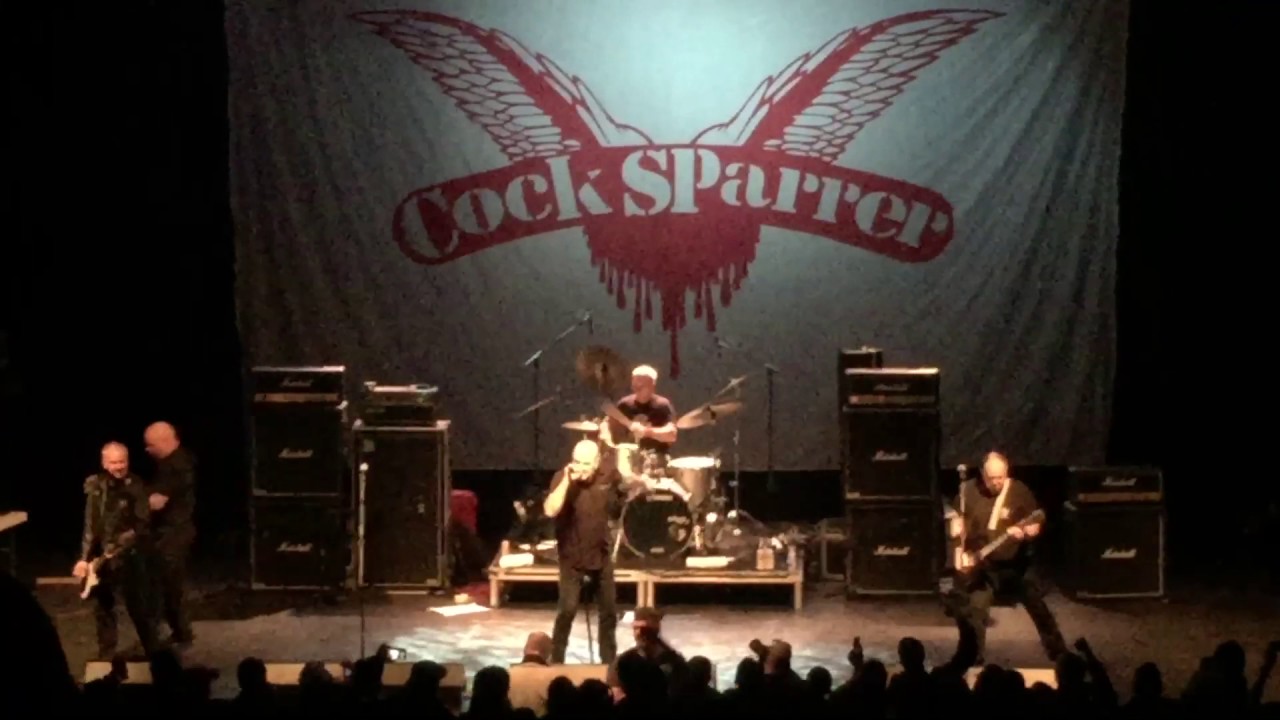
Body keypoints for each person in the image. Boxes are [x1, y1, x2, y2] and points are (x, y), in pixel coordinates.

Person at [947, 451, 1067, 664]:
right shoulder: (968, 491)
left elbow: (1035, 520)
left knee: (1037, 604)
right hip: (982, 566)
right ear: (982, 474)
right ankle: (973, 658)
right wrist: (957, 538)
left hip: (1014, 565)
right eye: (991, 478)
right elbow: (956, 519)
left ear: (1007, 473)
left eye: (1000, 477)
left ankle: (1059, 653)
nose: (996, 482)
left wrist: (1030, 531)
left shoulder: (1019, 491)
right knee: (975, 610)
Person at [73, 442, 160, 658]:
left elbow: (142, 523)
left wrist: (121, 544)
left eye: (122, 462)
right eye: (114, 462)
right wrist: (84, 558)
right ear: (104, 463)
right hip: (104, 557)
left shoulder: (136, 486)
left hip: (130, 555)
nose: (119, 467)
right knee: (103, 606)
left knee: (139, 606)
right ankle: (106, 654)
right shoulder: (96, 486)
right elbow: (91, 525)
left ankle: (154, 653)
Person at [543, 440, 624, 664]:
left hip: (601, 554)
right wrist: (566, 482)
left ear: (596, 462)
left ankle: (608, 662)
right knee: (567, 611)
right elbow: (550, 510)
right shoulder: (562, 477)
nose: (580, 468)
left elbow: (620, 502)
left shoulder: (608, 476)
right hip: (572, 557)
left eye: (586, 463)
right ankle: (557, 659)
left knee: (608, 613)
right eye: (576, 462)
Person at [144, 421, 196, 645]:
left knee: (169, 586)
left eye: (150, 445)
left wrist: (132, 500)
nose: (147, 450)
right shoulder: (182, 460)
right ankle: (178, 632)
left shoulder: (175, 467)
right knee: (167, 586)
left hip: (174, 533)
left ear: (164, 442)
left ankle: (179, 634)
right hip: (174, 531)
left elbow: (157, 502)